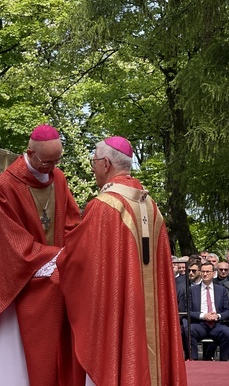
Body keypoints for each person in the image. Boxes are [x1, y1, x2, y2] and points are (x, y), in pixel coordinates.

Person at [58, 136, 187, 385]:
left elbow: (78, 262)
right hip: (147, 310)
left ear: (106, 164)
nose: (93, 166)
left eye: (94, 161)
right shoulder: (151, 205)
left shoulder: (104, 206)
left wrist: (54, 257)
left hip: (120, 312)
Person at [0, 124, 81, 386]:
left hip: (58, 278)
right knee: (18, 365)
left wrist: (73, 252)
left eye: (56, 161)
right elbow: (9, 241)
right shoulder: (4, 185)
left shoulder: (59, 179)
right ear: (30, 153)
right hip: (19, 284)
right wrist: (54, 255)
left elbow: (72, 223)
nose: (51, 167)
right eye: (47, 161)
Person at [184, 261, 229, 361]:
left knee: (228, 333)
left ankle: (224, 362)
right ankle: (194, 360)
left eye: (208, 271)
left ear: (213, 273)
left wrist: (218, 316)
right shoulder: (192, 290)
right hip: (200, 324)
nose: (205, 274)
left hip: (217, 324)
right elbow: (187, 311)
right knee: (188, 331)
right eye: (203, 271)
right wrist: (203, 316)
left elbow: (228, 311)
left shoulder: (221, 290)